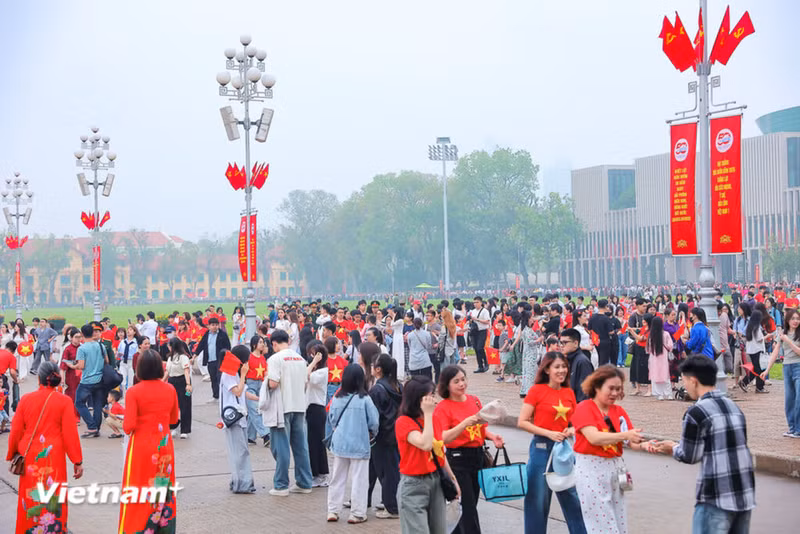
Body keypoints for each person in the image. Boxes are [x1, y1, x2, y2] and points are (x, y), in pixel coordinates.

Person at [652, 356, 755, 533]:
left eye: (684, 380)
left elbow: (690, 455)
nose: (684, 385)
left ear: (693, 380)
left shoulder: (696, 412)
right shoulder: (734, 407)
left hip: (715, 496)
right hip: (744, 494)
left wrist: (672, 447)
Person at [5, 362, 83, 533]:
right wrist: (77, 461)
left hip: (31, 455)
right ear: (57, 378)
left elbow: (16, 431)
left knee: (31, 496)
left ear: (39, 378)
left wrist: (12, 453)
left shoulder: (26, 400)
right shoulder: (64, 401)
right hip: (54, 456)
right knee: (53, 494)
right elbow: (70, 434)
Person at [572, 365, 650, 534]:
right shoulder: (584, 408)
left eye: (618, 389)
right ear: (597, 386)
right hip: (590, 469)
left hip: (614, 470)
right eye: (611, 388)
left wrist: (645, 445)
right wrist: (625, 436)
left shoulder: (619, 411)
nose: (615, 393)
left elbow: (631, 441)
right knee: (602, 524)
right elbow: (594, 437)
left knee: (619, 523)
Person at [517, 352, 587, 534]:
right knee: (537, 501)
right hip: (541, 449)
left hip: (563, 451)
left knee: (574, 500)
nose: (562, 370)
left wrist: (572, 429)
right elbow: (522, 421)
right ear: (547, 369)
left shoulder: (569, 392)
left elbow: (577, 421)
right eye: (557, 367)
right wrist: (549, 433)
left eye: (564, 367)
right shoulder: (536, 391)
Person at [434, 366, 504, 534]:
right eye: (456, 381)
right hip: (458, 460)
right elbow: (443, 437)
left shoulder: (474, 400)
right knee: (468, 508)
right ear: (447, 385)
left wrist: (492, 436)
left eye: (463, 379)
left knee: (468, 506)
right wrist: (464, 423)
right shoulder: (443, 407)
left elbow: (479, 428)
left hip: (478, 457)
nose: (461, 384)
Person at [119, 349, 179, 532]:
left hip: (142, 448)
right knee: (163, 487)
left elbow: (128, 426)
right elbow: (173, 421)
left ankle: (137, 527)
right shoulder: (170, 389)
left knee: (138, 489)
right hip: (164, 446)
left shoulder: (133, 392)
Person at [396, 375, 460, 534]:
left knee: (439, 530)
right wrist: (429, 414)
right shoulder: (404, 422)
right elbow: (425, 444)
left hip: (435, 480)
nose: (432, 400)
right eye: (429, 396)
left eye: (432, 395)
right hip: (413, 484)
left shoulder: (433, 419)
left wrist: (453, 479)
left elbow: (439, 451)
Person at [326, 364, 380, 524]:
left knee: (337, 478)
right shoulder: (365, 399)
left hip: (340, 443)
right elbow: (374, 422)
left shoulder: (337, 398)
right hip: (360, 443)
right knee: (359, 479)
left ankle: (333, 510)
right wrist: (372, 434)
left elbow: (332, 419)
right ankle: (357, 513)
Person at [266, 329, 314, 496]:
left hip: (282, 407)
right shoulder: (300, 359)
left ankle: (281, 484)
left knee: (281, 446)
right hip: (299, 405)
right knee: (301, 446)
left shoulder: (275, 359)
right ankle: (305, 482)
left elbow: (272, 383)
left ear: (274, 344)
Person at [369, 353, 403, 520]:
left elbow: (373, 417)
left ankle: (391, 507)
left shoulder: (377, 389)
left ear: (378, 369)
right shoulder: (398, 385)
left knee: (387, 472)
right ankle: (391, 502)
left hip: (382, 436)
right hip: (397, 434)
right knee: (392, 470)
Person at [220, 345, 257, 493]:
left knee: (241, 450)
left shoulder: (234, 373)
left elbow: (245, 392)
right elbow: (238, 391)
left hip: (240, 417)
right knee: (240, 451)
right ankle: (243, 484)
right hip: (233, 419)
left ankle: (239, 481)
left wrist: (260, 399)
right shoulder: (229, 374)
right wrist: (243, 374)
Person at [762, 308, 800, 437]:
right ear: (787, 320)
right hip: (787, 367)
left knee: (798, 399)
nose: (795, 321)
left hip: (798, 367)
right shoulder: (782, 334)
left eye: (797, 319)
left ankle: (798, 429)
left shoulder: (796, 334)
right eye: (793, 319)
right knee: (789, 399)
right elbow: (775, 352)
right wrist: (767, 370)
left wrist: (788, 340)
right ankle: (792, 427)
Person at [75, 323, 108, 438]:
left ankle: (92, 426)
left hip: (87, 381)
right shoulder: (101, 346)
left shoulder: (82, 348)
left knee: (79, 403)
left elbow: (81, 366)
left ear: (82, 334)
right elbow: (106, 361)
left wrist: (73, 366)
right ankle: (96, 428)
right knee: (97, 404)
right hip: (99, 379)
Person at [306, 343, 330, 487]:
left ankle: (320, 474)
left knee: (316, 443)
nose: (311, 357)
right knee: (311, 443)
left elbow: (307, 376)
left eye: (313, 354)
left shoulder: (323, 372)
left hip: (317, 409)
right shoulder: (313, 369)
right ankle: (314, 472)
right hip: (309, 409)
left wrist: (314, 362)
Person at [194, 317, 231, 402]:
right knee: (213, 378)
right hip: (210, 360)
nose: (214, 327)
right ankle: (215, 396)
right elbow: (201, 345)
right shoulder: (207, 334)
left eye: (216, 325)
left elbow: (228, 347)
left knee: (220, 378)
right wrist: (195, 355)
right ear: (209, 326)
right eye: (212, 325)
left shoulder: (222, 334)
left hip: (220, 360)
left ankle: (223, 396)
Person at [164, 337, 193, 439]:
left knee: (185, 405)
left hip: (183, 382)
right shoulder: (169, 358)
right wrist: (162, 383)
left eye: (169, 345)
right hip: (172, 382)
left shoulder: (183, 357)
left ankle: (185, 430)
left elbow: (186, 371)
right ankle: (173, 427)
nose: (168, 347)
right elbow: (167, 372)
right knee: (172, 406)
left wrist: (188, 384)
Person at [246, 335, 271, 446]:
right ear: (254, 344)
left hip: (261, 385)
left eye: (263, 342)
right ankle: (265, 434)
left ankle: (250, 436)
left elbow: (266, 372)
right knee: (255, 409)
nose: (263, 344)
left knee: (254, 410)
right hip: (250, 384)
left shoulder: (262, 358)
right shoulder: (249, 357)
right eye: (260, 342)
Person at [560, 328, 594, 403]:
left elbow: (584, 393)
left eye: (565, 342)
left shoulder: (582, 362)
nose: (561, 346)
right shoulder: (568, 359)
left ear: (575, 343)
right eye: (560, 342)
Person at [646, 316, 674, 400]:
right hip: (664, 357)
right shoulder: (666, 334)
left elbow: (648, 349)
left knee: (655, 375)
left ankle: (659, 394)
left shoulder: (651, 336)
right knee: (665, 374)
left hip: (654, 357)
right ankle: (668, 394)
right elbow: (670, 346)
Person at [470, 297, 491, 373]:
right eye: (474, 302)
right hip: (475, 331)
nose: (475, 304)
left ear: (481, 303)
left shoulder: (485, 311)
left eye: (477, 302)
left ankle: (486, 362)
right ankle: (480, 366)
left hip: (482, 331)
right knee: (476, 348)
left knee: (480, 348)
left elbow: (487, 321)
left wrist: (477, 319)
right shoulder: (473, 311)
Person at [117, 325, 139, 392]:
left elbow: (137, 353)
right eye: (128, 329)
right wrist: (119, 355)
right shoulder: (123, 342)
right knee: (122, 380)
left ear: (134, 332)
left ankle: (130, 395)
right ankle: (124, 395)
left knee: (130, 380)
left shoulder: (136, 343)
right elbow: (118, 352)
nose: (128, 331)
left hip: (131, 362)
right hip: (123, 361)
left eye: (131, 330)